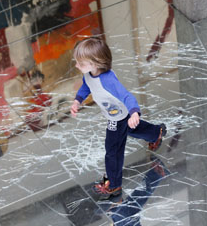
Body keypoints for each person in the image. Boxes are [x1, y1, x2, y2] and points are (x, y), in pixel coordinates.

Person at [70, 37, 166, 200]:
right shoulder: (89, 75)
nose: (76, 66)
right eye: (77, 62)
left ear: (96, 63)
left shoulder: (108, 80)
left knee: (112, 150)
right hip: (117, 116)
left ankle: (113, 184)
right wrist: (78, 100)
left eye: (81, 63)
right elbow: (87, 86)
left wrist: (134, 112)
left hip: (119, 116)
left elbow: (126, 96)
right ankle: (156, 132)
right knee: (134, 129)